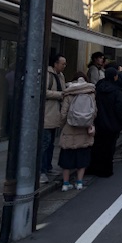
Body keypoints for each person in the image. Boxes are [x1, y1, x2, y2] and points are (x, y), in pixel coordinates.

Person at [58, 72, 96, 191]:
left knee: (66, 158)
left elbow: (63, 114)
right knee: (82, 157)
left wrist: (62, 125)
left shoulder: (69, 93)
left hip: (69, 129)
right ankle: (79, 182)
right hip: (84, 129)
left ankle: (65, 183)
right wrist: (89, 123)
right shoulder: (90, 93)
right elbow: (94, 112)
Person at [87, 67, 122, 177]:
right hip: (113, 123)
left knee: (97, 146)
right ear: (114, 77)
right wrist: (121, 121)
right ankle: (106, 170)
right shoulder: (117, 91)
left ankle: (93, 167)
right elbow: (119, 109)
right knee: (109, 147)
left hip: (98, 121)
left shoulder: (98, 88)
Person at [41, 54, 66, 184]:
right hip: (47, 113)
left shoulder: (61, 76)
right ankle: (41, 171)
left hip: (55, 114)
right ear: (55, 64)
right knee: (45, 143)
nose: (64, 66)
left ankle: (48, 167)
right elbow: (43, 91)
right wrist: (60, 94)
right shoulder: (47, 74)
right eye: (63, 64)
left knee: (51, 143)